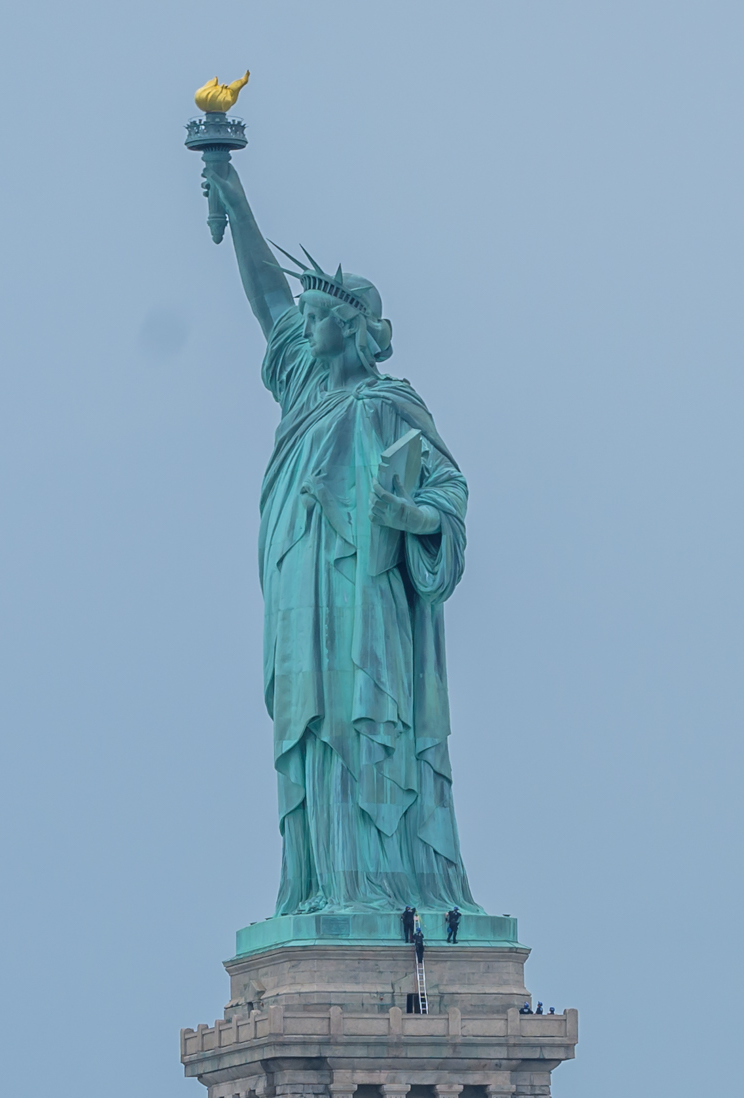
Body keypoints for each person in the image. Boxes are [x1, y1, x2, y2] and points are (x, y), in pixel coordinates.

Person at [198, 148, 481, 921]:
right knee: (311, 731)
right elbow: (266, 298)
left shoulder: (391, 403)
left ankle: (383, 885)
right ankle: (323, 883)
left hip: (366, 593)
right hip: (300, 588)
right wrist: (233, 189)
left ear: (356, 330)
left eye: (324, 316)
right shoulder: (302, 388)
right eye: (311, 315)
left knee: (365, 723)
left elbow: (449, 492)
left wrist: (412, 518)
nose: (308, 324)